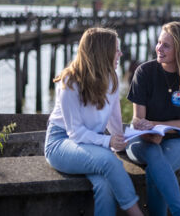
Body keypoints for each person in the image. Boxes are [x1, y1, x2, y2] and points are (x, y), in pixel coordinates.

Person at [44, 27, 143, 216]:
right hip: (61, 142)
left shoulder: (112, 79)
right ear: (102, 53)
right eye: (116, 49)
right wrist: (107, 142)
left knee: (105, 185)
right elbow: (74, 132)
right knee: (109, 162)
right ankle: (136, 213)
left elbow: (114, 119)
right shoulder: (70, 81)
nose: (120, 54)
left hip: (91, 143)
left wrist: (120, 141)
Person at [126, 21, 180, 216]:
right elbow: (138, 120)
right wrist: (150, 131)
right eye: (159, 42)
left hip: (174, 140)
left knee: (157, 172)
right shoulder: (144, 72)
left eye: (166, 45)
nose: (159, 48)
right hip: (140, 139)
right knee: (155, 155)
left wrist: (157, 127)